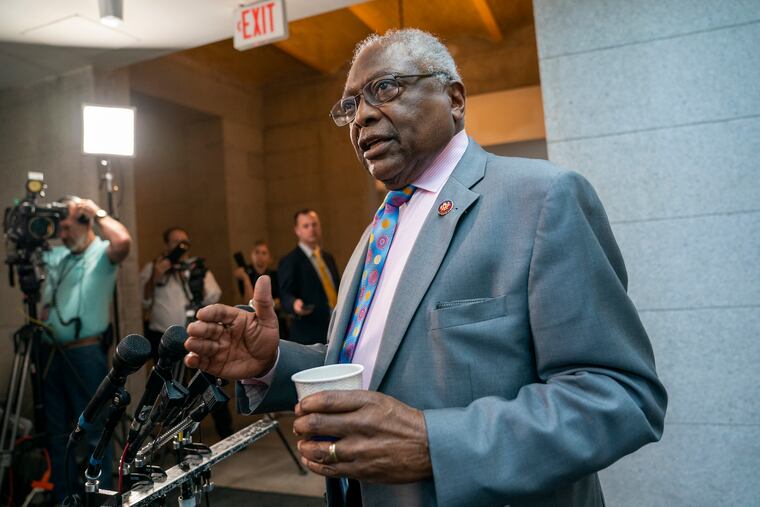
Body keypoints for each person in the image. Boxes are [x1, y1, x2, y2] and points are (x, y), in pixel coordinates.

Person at [184, 29, 667, 507]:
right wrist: (272, 361)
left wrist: (436, 444)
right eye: (350, 107)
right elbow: (374, 369)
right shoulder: (378, 230)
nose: (363, 117)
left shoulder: (541, 198)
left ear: (454, 99)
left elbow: (618, 396)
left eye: (384, 88)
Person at [40, 196, 131, 501]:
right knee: (56, 430)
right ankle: (64, 497)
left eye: (66, 227)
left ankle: (99, 498)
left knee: (94, 431)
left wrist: (96, 211)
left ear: (84, 222)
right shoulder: (59, 255)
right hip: (51, 353)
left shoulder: (101, 253)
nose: (61, 235)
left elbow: (123, 240)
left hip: (85, 354)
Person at [139, 227, 222, 356]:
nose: (180, 245)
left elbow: (213, 298)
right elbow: (143, 302)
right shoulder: (153, 267)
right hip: (164, 337)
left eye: (184, 242)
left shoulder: (197, 268)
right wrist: (154, 277)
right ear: (166, 245)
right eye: (175, 241)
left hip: (195, 335)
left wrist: (194, 282)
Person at [277, 210, 341, 344]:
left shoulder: (328, 258)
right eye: (306, 226)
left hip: (336, 328)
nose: (311, 229)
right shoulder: (290, 261)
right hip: (309, 334)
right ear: (297, 230)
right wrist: (294, 304)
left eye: (314, 224)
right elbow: (285, 294)